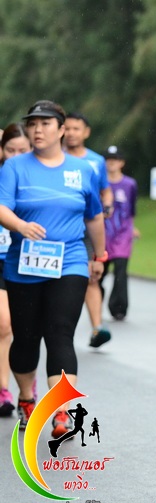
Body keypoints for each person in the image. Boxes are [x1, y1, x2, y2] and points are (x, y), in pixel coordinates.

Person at [0, 100, 105, 438]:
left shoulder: (83, 169)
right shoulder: (15, 167)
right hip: (24, 264)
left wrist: (99, 255)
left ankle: (61, 410)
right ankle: (27, 398)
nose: (37, 129)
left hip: (70, 260)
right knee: (26, 338)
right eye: (33, 124)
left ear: (61, 130)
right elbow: (1, 206)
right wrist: (20, 225)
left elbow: (94, 216)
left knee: (60, 332)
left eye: (45, 123)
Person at [63, 112, 114, 348]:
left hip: (86, 230)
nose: (71, 133)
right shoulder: (53, 157)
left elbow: (105, 190)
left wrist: (108, 205)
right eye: (68, 128)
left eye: (76, 129)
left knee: (91, 277)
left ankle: (97, 328)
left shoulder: (96, 161)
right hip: (59, 227)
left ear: (86, 132)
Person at [0, 123, 31, 416]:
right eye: (11, 150)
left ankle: (24, 385)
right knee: (4, 323)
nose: (16, 156)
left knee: (20, 326)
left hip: (23, 257)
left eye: (23, 150)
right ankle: (4, 389)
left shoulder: (36, 175)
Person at [99, 146, 138, 321]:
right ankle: (96, 300)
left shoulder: (129, 184)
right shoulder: (99, 184)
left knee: (121, 272)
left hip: (122, 235)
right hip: (103, 234)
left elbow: (132, 210)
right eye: (108, 159)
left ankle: (119, 307)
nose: (111, 163)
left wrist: (132, 228)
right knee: (100, 272)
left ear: (122, 163)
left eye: (115, 159)